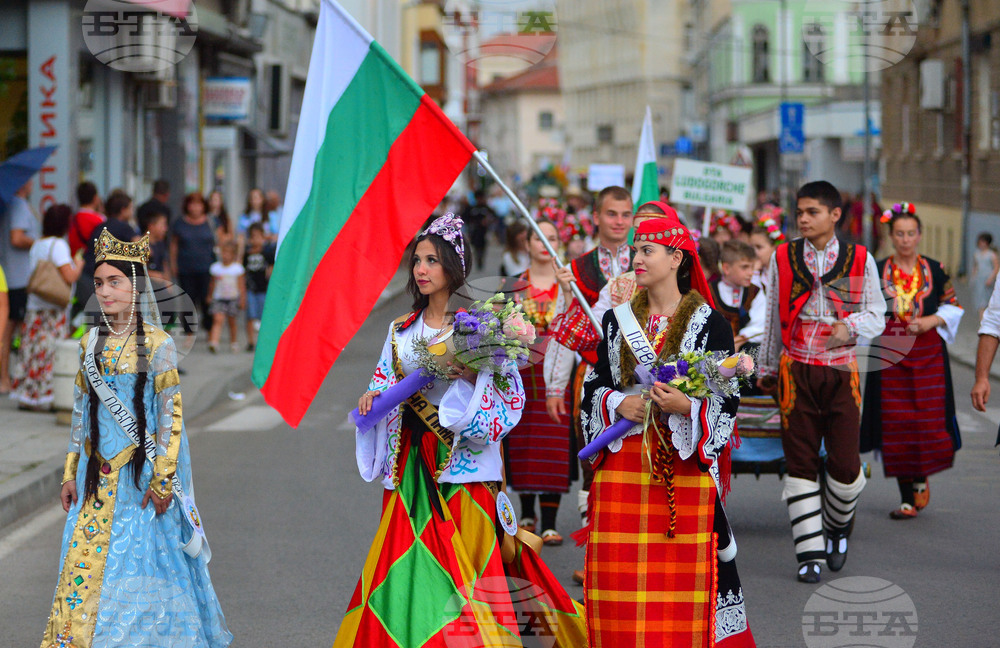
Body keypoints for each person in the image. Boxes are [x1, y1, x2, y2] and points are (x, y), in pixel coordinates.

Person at [335, 213, 586, 647]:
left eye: (431, 260)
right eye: (417, 260)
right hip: (413, 464)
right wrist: (370, 399)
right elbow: (383, 383)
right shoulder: (400, 331)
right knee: (405, 559)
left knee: (466, 568)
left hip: (465, 467)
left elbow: (509, 400)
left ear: (453, 265)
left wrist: (470, 378)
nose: (421, 269)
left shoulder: (481, 326)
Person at [41, 229, 231, 647]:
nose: (105, 292)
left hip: (141, 484)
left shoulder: (159, 345)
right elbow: (79, 411)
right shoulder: (88, 342)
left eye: (115, 282)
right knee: (88, 578)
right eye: (98, 284)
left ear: (137, 285)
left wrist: (163, 478)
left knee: (141, 581)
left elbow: (170, 416)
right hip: (94, 484)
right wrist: (70, 470)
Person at [581, 216, 755, 647]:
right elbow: (593, 384)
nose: (636, 258)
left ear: (677, 258)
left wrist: (687, 406)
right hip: (622, 470)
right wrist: (617, 402)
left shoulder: (710, 322)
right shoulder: (615, 321)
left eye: (647, 251)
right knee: (617, 580)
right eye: (635, 250)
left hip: (681, 472)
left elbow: (727, 398)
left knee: (680, 582)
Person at [757, 181, 887, 583]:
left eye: (812, 211)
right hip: (795, 370)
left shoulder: (860, 258)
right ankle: (808, 554)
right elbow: (772, 315)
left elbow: (878, 313)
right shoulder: (783, 256)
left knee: (847, 465)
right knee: (800, 462)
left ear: (834, 215)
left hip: (842, 370)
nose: (803, 219)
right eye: (799, 212)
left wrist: (848, 327)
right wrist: (765, 367)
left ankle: (837, 526)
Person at [544, 185, 633, 582]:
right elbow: (564, 329)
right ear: (596, 217)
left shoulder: (648, 261)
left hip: (640, 380)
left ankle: (631, 554)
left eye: (625, 214)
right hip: (593, 379)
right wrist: (553, 386)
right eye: (611, 213)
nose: (619, 221)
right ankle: (594, 556)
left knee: (637, 464)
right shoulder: (577, 269)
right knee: (593, 464)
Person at [861, 204, 963, 519]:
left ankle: (921, 476)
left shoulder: (936, 268)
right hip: (891, 357)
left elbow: (953, 305)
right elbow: (866, 309)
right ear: (891, 237)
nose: (905, 239)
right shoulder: (877, 271)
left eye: (910, 233)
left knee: (927, 420)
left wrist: (931, 320)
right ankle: (907, 497)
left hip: (928, 355)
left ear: (919, 235)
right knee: (897, 422)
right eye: (899, 234)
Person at [505, 219, 572, 545]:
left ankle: (550, 521)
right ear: (527, 243)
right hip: (523, 374)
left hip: (558, 372)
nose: (546, 244)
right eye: (539, 238)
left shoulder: (567, 285)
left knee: (554, 440)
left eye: (553, 238)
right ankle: (526, 513)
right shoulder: (516, 285)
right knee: (522, 440)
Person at [11, 204, 83, 410]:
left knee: (32, 352)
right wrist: (78, 264)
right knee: (50, 353)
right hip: (53, 309)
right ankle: (45, 398)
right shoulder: (58, 245)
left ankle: (28, 396)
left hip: (35, 307)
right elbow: (69, 276)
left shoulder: (37, 245)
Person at [0, 180, 40, 393]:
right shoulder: (18, 205)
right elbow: (16, 237)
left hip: (10, 274)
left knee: (8, 331)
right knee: (10, 331)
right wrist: (38, 243)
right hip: (17, 277)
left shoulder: (9, 204)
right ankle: (6, 379)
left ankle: (7, 378)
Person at [170, 192, 216, 334]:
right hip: (186, 267)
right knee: (188, 298)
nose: (195, 208)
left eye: (199, 204)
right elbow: (174, 246)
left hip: (207, 267)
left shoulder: (210, 221)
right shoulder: (179, 223)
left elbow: (220, 240)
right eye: (192, 204)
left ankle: (210, 328)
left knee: (206, 298)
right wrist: (173, 264)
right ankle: (188, 330)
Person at [710, 240, 766, 351]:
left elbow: (761, 325)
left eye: (752, 267)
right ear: (726, 268)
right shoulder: (710, 291)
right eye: (744, 267)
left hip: (744, 352)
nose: (750, 272)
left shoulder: (754, 292)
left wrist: (741, 339)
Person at [207, 241, 245, 353]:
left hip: (233, 298)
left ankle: (233, 342)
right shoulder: (216, 268)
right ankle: (214, 342)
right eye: (223, 253)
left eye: (228, 253)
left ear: (233, 255)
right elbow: (212, 283)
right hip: (219, 298)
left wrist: (242, 299)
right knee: (218, 319)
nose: (225, 256)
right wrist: (210, 295)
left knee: (232, 322)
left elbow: (241, 285)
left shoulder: (237, 269)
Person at [243, 223, 273, 352]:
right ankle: (251, 341)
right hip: (251, 288)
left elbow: (271, 267)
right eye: (253, 237)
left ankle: (263, 341)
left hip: (263, 289)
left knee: (263, 316)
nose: (255, 240)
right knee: (250, 315)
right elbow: (243, 271)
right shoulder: (247, 254)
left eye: (258, 236)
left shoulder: (267, 253)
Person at [460, 189, 496, 270]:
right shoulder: (472, 208)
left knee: (483, 246)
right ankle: (478, 258)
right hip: (474, 231)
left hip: (484, 231)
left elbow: (494, 216)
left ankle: (481, 259)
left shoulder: (486, 208)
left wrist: (488, 221)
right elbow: (464, 217)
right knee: (476, 246)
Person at [68, 181, 105, 256]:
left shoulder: (71, 219)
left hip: (75, 261)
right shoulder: (100, 220)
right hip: (92, 262)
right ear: (95, 198)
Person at [971, 232, 999, 320]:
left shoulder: (992, 254)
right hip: (979, 280)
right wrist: (973, 277)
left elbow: (996, 267)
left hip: (988, 279)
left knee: (986, 301)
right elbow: (975, 266)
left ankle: (987, 320)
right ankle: (982, 321)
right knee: (980, 302)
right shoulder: (977, 254)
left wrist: (991, 278)